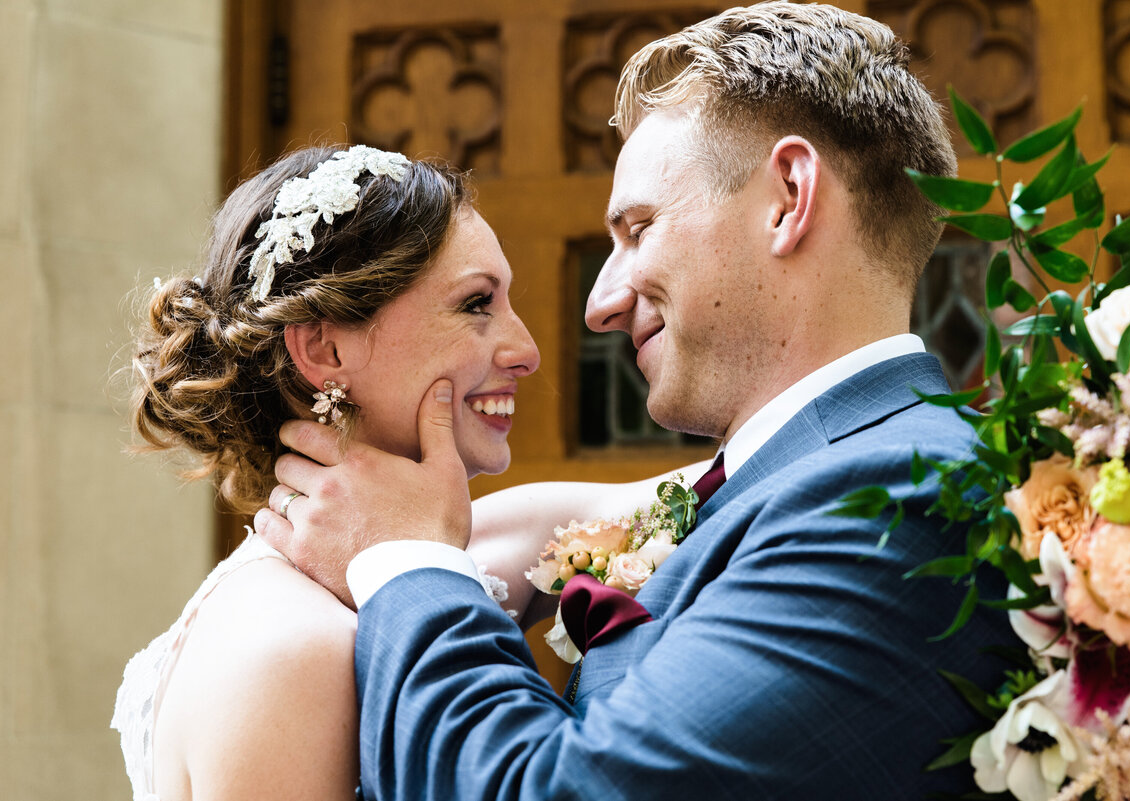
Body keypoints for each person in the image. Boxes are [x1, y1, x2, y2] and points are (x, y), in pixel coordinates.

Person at [258, 3, 1016, 798]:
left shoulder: (899, 497)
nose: (601, 303)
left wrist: (408, 560)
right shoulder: (803, 476)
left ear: (789, 196)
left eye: (639, 228)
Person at [111, 144, 551, 800]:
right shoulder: (291, 651)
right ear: (325, 347)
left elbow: (721, 494)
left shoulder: (438, 554)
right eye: (476, 304)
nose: (527, 351)